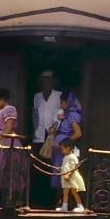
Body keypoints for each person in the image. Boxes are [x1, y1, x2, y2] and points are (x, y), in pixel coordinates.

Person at [32, 71, 62, 207]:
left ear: (52, 82)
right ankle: (39, 199)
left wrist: (55, 127)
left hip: (53, 135)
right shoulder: (37, 96)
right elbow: (35, 115)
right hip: (39, 136)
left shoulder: (58, 95)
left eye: (48, 80)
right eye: (43, 80)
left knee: (52, 168)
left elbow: (61, 113)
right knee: (39, 167)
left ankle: (52, 200)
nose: (45, 83)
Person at [51, 91, 82, 189]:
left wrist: (65, 142)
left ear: (67, 102)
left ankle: (63, 200)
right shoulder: (65, 114)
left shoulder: (72, 115)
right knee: (57, 171)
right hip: (59, 150)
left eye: (62, 102)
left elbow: (78, 133)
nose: (60, 105)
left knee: (63, 172)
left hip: (64, 150)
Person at [55, 139, 85, 212]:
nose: (61, 151)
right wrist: (60, 169)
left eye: (62, 149)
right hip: (65, 178)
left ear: (68, 148)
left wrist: (68, 175)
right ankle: (64, 206)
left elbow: (75, 166)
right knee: (65, 192)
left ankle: (80, 207)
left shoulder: (72, 156)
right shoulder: (65, 157)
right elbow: (66, 166)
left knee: (74, 192)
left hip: (70, 178)